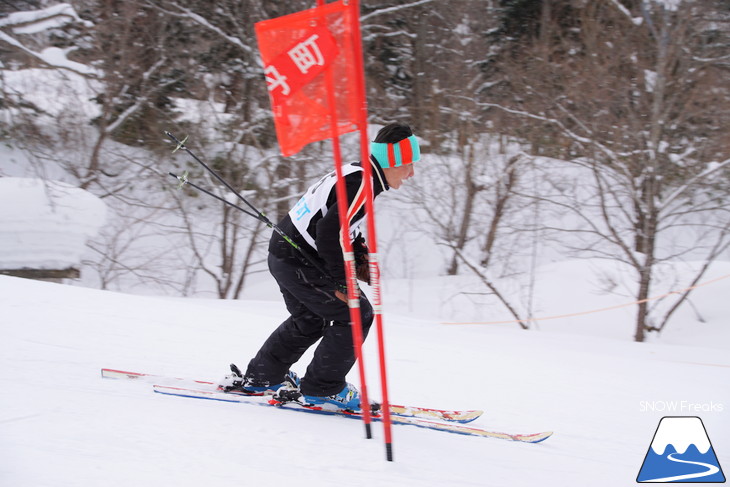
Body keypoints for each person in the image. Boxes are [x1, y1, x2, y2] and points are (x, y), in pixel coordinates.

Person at [221, 122, 421, 411]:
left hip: (285, 253)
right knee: (356, 313)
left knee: (310, 319)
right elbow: (329, 232)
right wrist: (344, 283)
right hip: (298, 258)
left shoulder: (359, 174)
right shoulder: (363, 184)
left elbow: (342, 227)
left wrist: (362, 263)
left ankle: (263, 377)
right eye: (408, 164)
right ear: (393, 161)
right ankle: (323, 388)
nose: (411, 173)